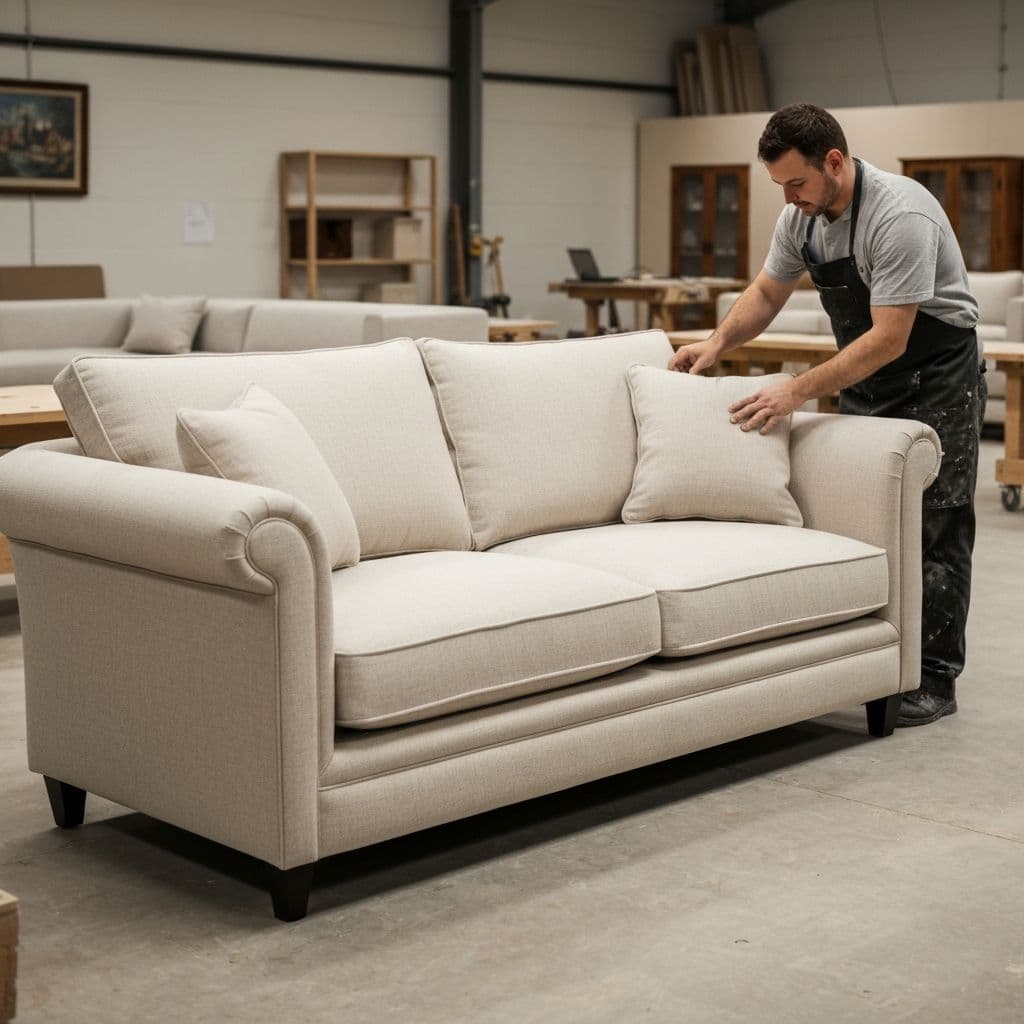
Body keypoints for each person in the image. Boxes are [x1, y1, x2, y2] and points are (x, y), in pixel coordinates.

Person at [669, 102, 985, 728]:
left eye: (796, 182)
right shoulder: (801, 218)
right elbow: (766, 292)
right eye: (780, 185)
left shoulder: (901, 215)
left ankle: (935, 677)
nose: (789, 197)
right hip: (868, 375)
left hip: (936, 374)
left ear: (834, 161)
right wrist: (716, 343)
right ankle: (876, 661)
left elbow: (892, 335)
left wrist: (795, 391)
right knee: (864, 516)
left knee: (936, 523)